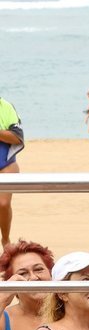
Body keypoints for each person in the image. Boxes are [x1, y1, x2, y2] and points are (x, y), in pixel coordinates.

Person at [0, 96, 24, 248]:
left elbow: (17, 137)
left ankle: (5, 239)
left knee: (3, 203)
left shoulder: (5, 107)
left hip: (5, 163)